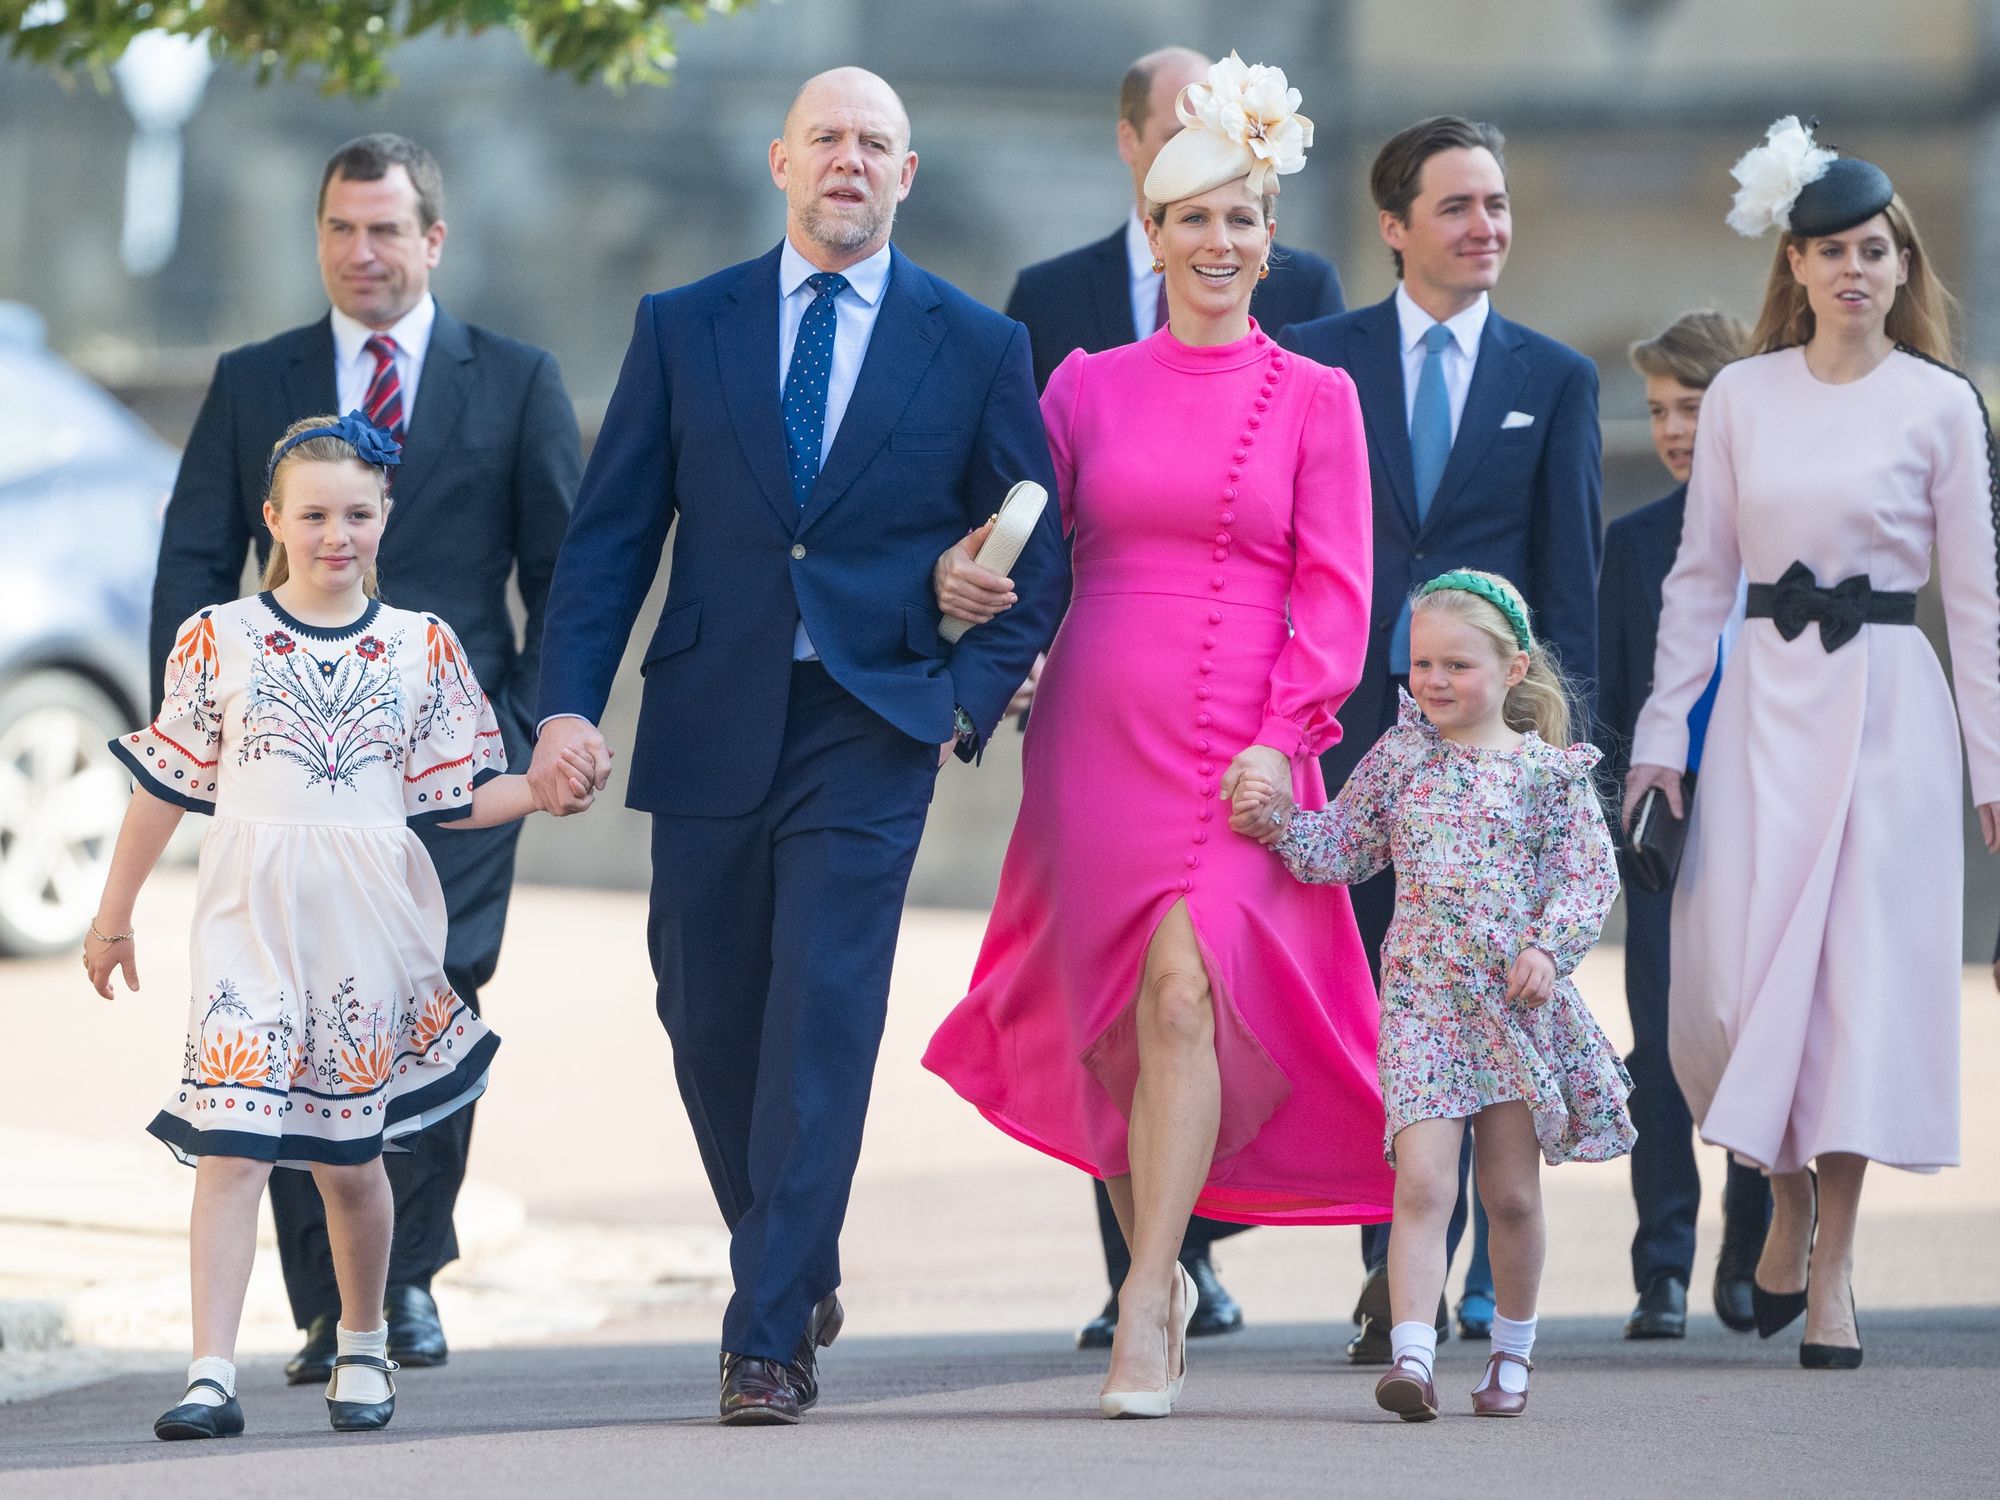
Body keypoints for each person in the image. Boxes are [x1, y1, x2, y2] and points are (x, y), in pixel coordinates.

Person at [528, 68, 1068, 1426]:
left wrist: (961, 699)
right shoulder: (681, 324)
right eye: (825, 138)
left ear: (908, 174)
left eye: (874, 143)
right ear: (781, 161)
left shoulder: (974, 342)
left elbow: (1037, 555)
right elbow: (607, 543)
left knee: (821, 1022)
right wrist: (567, 703)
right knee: (706, 1017)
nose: (848, 161)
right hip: (710, 711)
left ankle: (764, 1336)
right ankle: (797, 1253)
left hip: (872, 719)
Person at [923, 53, 1394, 1421]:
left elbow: (1338, 590)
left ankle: (1148, 1291)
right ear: (1155, 229)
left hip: (1244, 737)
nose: (1220, 241)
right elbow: (1033, 549)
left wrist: (1287, 733)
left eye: (1243, 217)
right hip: (1098, 730)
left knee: (1191, 989)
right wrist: (973, 603)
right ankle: (1159, 1270)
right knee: (1123, 1023)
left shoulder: (1320, 398)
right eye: (1195, 217)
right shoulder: (1081, 384)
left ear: (1268, 237)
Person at [148, 133, 581, 1381]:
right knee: (284, 1019)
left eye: (387, 229)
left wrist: (547, 719)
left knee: (421, 1004)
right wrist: (200, 729)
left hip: (456, 762)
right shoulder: (249, 380)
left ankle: (407, 1280)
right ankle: (318, 1306)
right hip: (284, 780)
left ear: (432, 239)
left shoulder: (516, 380)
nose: (363, 251)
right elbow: (192, 563)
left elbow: (563, 574)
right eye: (341, 228)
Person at [85, 416, 592, 1440]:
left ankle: (362, 1345)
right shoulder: (217, 638)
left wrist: (536, 791)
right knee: (232, 1149)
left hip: (362, 936)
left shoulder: (421, 647)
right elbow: (167, 788)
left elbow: (454, 797)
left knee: (349, 1160)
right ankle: (210, 1375)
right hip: (246, 928)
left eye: (355, 514)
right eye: (312, 514)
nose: (335, 534)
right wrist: (113, 914)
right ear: (272, 518)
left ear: (384, 518)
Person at [1624, 118, 2000, 1370]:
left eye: (1874, 250)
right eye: (1829, 249)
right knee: (1720, 990)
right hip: (1755, 712)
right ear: (1792, 265)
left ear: (1902, 265)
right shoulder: (1739, 396)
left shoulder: (1942, 405)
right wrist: (1657, 746)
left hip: (1889, 714)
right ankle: (1778, 1202)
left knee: (1849, 994)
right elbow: (1695, 580)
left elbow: (1977, 604)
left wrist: (1994, 772)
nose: (1853, 269)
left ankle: (1830, 1265)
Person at [1278, 115, 1603, 1362]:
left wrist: (1560, 766)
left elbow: (1563, 590)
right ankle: (1394, 1255)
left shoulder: (1552, 379)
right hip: (1344, 744)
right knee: (1374, 1006)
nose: (1485, 227)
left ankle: (1432, 1288)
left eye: (1498, 205)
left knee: (1477, 1011)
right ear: (1393, 225)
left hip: (1485, 771)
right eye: (1458, 206)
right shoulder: (1313, 361)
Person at [1239, 570, 1632, 1420]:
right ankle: (1413, 1358)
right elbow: (1340, 848)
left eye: (1457, 664)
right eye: (1421, 663)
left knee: (1511, 1194)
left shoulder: (1548, 775)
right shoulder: (1399, 758)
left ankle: (1512, 1356)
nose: (1434, 681)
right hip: (1421, 1006)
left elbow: (1587, 878)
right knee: (1419, 1185)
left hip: (1511, 1012)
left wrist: (1547, 948)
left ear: (1514, 669)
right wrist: (1277, 823)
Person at [1599, 311, 1771, 1339]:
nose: (1670, 429)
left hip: (1773, 820)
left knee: (1763, 1035)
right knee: (1658, 1043)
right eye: (1658, 410)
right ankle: (1658, 1265)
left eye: (1691, 405)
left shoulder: (1796, 534)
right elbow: (1616, 700)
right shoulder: (1633, 544)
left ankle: (1748, 1254)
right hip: (1666, 826)